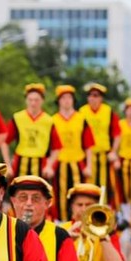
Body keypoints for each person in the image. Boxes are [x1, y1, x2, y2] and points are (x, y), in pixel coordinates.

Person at [51, 84, 94, 221]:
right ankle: (61, 223)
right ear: (59, 101)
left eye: (69, 97)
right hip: (59, 164)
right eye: (63, 98)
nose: (66, 100)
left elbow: (88, 145)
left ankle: (81, 221)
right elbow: (49, 147)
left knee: (79, 195)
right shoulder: (53, 120)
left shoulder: (81, 119)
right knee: (59, 195)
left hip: (78, 163)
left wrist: (89, 166)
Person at [6, 83, 61, 182]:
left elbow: (57, 147)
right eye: (30, 100)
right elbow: (4, 141)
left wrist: (49, 166)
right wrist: (7, 165)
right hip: (20, 162)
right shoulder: (18, 117)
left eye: (36, 100)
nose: (33, 103)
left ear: (42, 101)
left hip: (40, 164)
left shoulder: (48, 120)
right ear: (26, 100)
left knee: (39, 194)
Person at [78, 82, 120, 208]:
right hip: (86, 156)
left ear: (101, 98)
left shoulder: (108, 112)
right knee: (87, 185)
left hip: (104, 155)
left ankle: (103, 210)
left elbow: (117, 134)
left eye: (96, 95)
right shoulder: (82, 112)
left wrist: (114, 152)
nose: (93, 98)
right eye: (90, 95)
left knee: (105, 184)